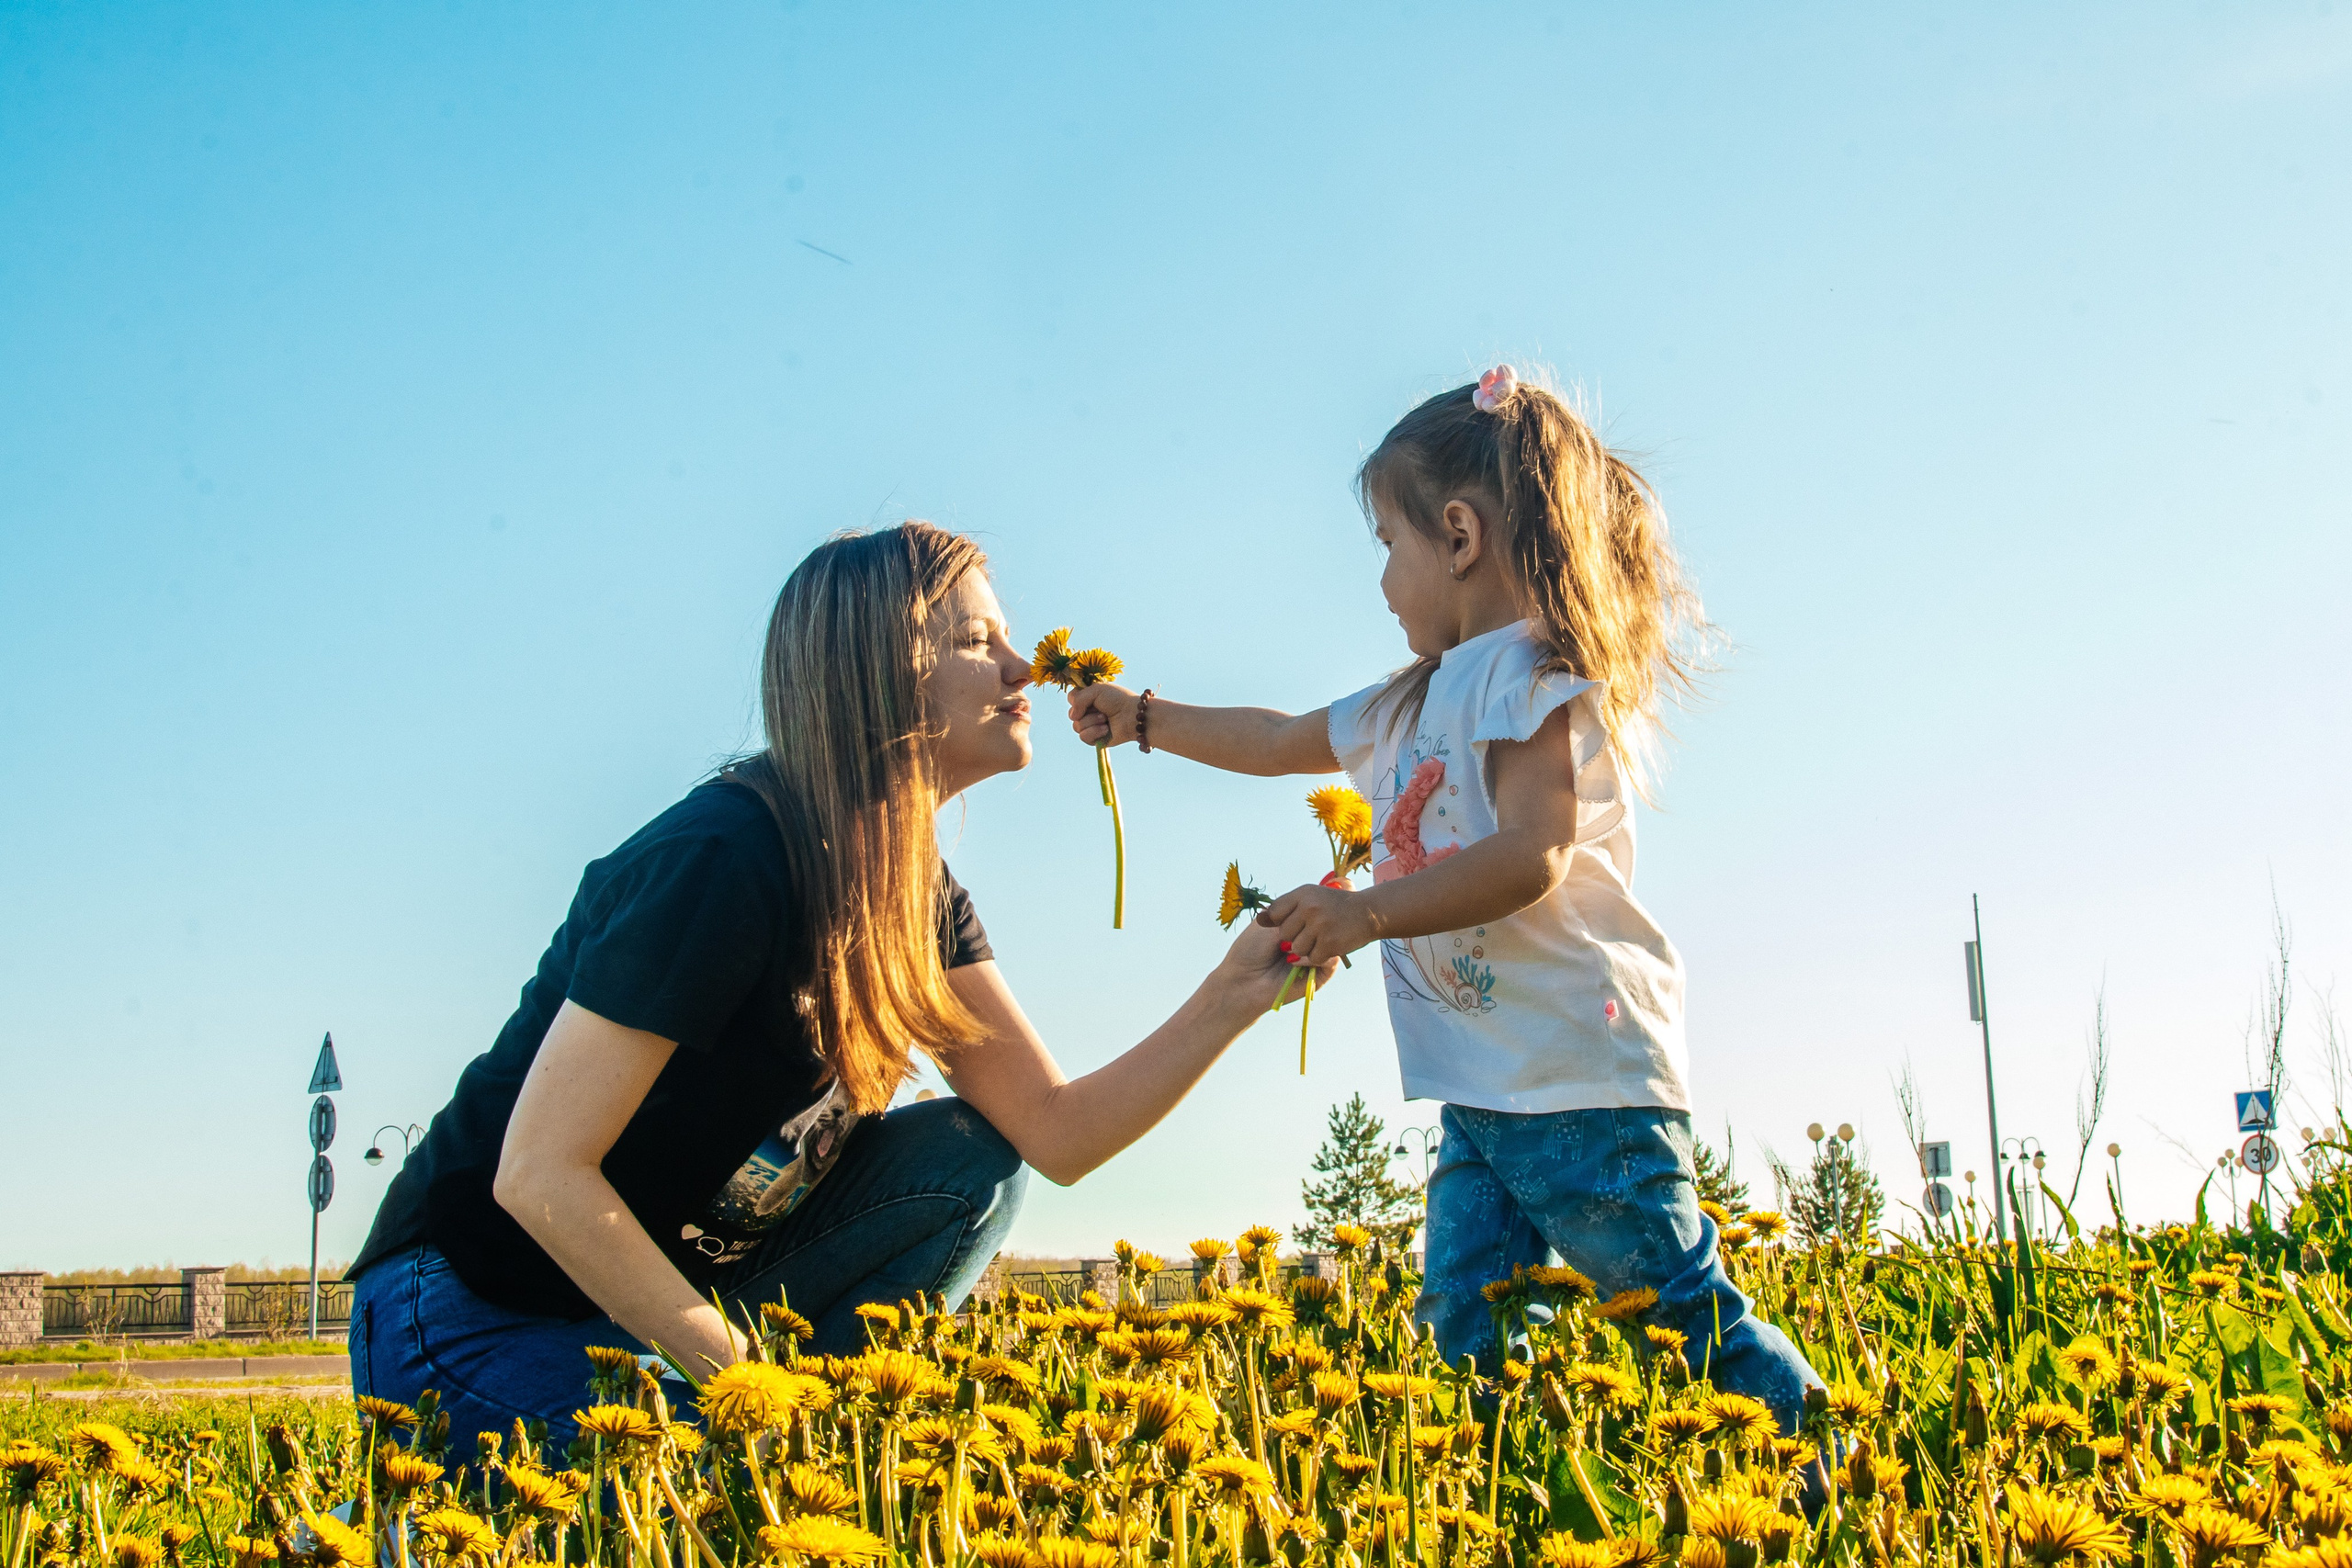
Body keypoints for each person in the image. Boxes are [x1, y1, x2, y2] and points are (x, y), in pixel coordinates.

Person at [347, 521, 1330, 1459]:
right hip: (473, 1298)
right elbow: (539, 1174)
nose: (1023, 669)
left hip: (645, 1305)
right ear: (882, 674)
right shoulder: (726, 859)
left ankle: (828, 1428)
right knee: (716, 1485)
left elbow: (1055, 1133)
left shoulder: (922, 896)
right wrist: (746, 1386)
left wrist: (1234, 994)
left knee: (968, 1161)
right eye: (978, 640)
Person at [1066, 366, 1825, 1436]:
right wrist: (1145, 717)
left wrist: (1371, 911)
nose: (1381, 579)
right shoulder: (1410, 699)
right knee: (1465, 1325)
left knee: (1667, 1307)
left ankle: (1808, 1456)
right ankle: (1498, 1496)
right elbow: (1279, 739)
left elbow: (1532, 852)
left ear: (1458, 536)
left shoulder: (1529, 677)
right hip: (1482, 1088)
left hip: (1577, 1079)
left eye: (1387, 543)